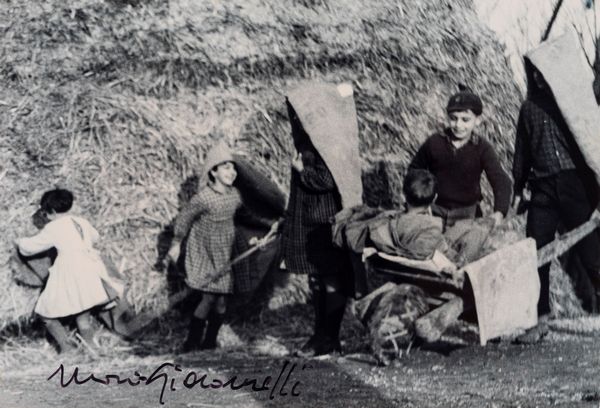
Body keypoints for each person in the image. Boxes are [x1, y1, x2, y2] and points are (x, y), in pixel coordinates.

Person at [512, 56, 600, 342]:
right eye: (535, 74)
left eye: (545, 73)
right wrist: (518, 187)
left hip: (578, 185)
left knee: (592, 255)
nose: (539, 79)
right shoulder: (528, 109)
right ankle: (539, 320)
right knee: (536, 254)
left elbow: (593, 145)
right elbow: (522, 152)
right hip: (543, 188)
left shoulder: (575, 106)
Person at [279, 82, 363, 357]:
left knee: (330, 280)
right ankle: (323, 336)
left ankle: (327, 337)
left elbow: (328, 179)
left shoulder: (327, 143)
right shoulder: (312, 142)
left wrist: (302, 171)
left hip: (326, 224)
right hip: (314, 223)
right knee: (319, 281)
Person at [168, 141, 274, 352]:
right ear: (213, 172)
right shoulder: (203, 198)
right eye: (226, 167)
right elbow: (184, 220)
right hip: (205, 252)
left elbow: (245, 216)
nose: (232, 172)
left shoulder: (234, 195)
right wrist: (176, 243)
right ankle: (191, 343)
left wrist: (270, 225)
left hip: (225, 252)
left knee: (221, 301)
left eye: (233, 167)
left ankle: (209, 341)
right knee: (208, 298)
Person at [15, 189, 125, 353]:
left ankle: (67, 348)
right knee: (83, 310)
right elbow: (95, 237)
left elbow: (31, 248)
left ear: (50, 211)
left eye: (44, 212)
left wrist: (18, 241)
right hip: (91, 268)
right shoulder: (81, 221)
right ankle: (91, 348)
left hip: (70, 270)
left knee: (45, 312)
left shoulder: (54, 227)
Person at [409, 85, 512, 229]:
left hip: (467, 215)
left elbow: (500, 179)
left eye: (465, 120)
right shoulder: (435, 142)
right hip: (434, 212)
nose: (458, 125)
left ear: (477, 120)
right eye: (453, 118)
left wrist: (499, 212)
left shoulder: (482, 148)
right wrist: (419, 202)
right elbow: (414, 170)